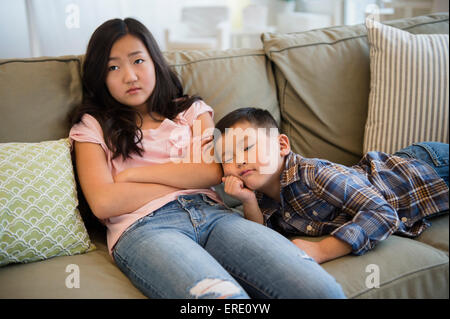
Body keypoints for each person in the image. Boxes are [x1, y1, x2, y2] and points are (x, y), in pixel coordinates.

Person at [69, 18, 346, 299]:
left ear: (154, 61)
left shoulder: (190, 110)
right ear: (100, 78)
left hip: (215, 216)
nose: (130, 76)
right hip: (145, 228)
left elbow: (213, 171)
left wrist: (131, 176)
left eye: (138, 60)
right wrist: (184, 175)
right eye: (113, 67)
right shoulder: (92, 126)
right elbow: (104, 202)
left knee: (321, 290)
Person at [216, 107, 449, 264]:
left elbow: (382, 212)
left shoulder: (314, 174)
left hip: (424, 167)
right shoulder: (260, 199)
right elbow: (262, 235)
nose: (239, 161)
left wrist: (321, 250)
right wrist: (246, 199)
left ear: (281, 145)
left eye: (247, 148)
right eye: (227, 158)